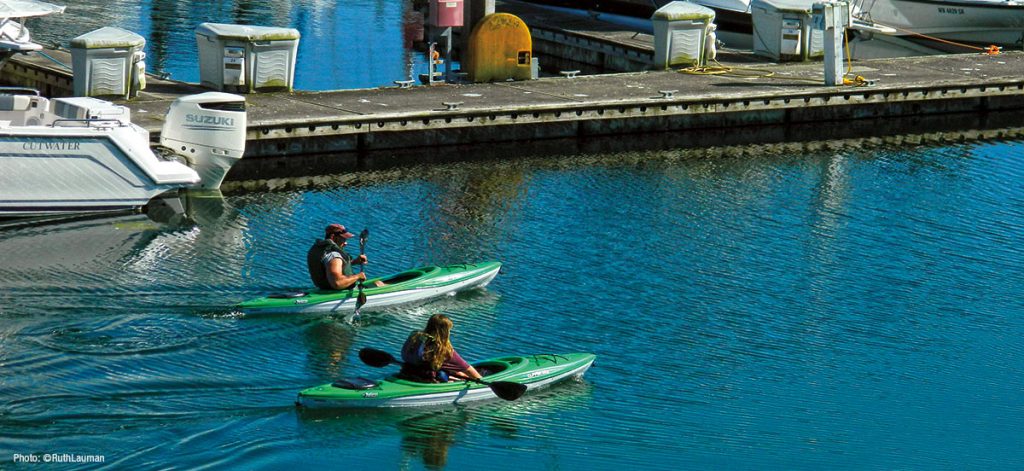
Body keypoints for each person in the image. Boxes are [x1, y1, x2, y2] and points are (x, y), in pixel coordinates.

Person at [400, 314, 482, 383]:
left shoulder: (415, 338)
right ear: (445, 332)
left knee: (459, 373)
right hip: (427, 380)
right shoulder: (442, 349)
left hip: (407, 372)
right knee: (461, 374)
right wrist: (481, 380)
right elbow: (468, 369)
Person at [306, 223, 379, 290]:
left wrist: (354, 262)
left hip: (324, 288)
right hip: (338, 292)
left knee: (377, 283)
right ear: (333, 236)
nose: (346, 243)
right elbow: (337, 283)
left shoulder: (320, 249)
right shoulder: (334, 256)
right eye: (343, 239)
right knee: (378, 284)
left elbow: (328, 266)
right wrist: (358, 276)